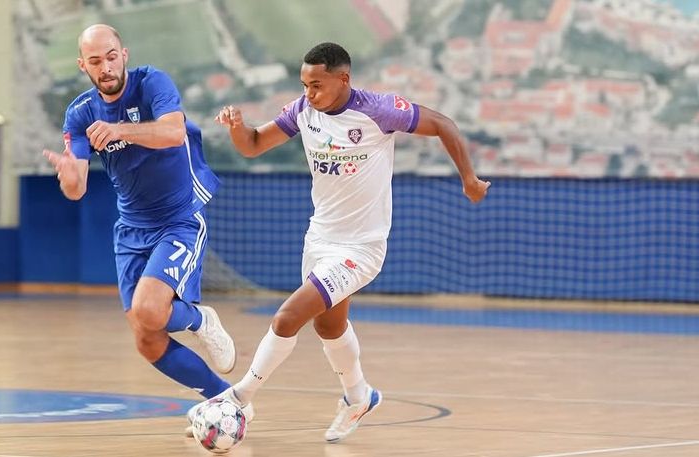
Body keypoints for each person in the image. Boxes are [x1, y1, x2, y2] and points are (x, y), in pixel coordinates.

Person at [192, 42, 490, 443]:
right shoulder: (302, 110)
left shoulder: (378, 110)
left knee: (287, 318)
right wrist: (236, 128)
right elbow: (254, 145)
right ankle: (359, 396)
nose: (309, 93)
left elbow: (443, 123)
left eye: (316, 85)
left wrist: (468, 179)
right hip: (320, 239)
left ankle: (237, 398)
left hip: (361, 248)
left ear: (343, 79)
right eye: (304, 84)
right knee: (329, 326)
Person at [44, 24, 245, 425]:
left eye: (111, 57)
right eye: (95, 61)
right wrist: (68, 176)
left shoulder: (152, 82)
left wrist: (119, 130)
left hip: (179, 219)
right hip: (132, 228)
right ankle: (227, 401)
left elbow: (172, 132)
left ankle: (201, 320)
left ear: (124, 54)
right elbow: (77, 188)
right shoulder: (80, 112)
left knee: (150, 310)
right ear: (83, 65)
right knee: (146, 338)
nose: (106, 67)